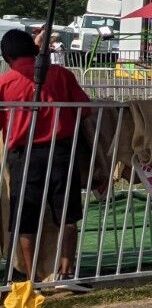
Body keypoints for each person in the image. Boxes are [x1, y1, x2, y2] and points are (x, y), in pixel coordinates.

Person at [0, 29, 97, 292]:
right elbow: (84, 108)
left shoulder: (6, 82)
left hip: (23, 156)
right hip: (62, 152)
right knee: (66, 214)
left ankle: (32, 279)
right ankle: (66, 274)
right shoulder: (61, 75)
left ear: (7, 55)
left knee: (25, 217)